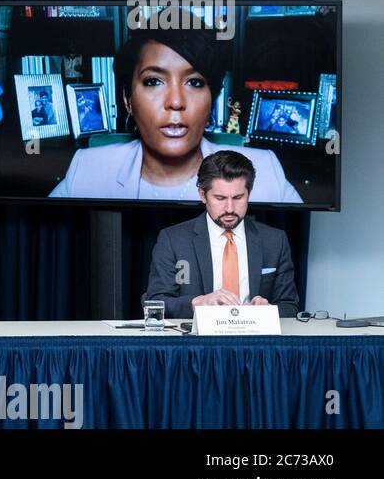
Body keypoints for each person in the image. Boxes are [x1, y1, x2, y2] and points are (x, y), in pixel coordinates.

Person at [49, 18, 302, 202]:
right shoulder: (87, 171)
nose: (176, 102)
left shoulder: (264, 173)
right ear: (128, 100)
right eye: (153, 81)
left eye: (194, 82)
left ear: (212, 99)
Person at [145, 151, 300, 319]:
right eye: (220, 198)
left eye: (238, 197)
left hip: (255, 341)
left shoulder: (275, 241)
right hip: (197, 342)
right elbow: (156, 303)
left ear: (249, 193)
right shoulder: (173, 240)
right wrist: (198, 303)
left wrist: (268, 310)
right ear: (203, 195)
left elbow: (289, 306)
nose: (230, 208)